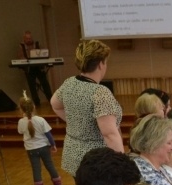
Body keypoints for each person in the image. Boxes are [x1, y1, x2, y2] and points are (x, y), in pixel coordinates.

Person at [51, 39, 123, 176]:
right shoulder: (100, 93)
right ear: (101, 64)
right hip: (96, 162)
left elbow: (55, 105)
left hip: (73, 157)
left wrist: (78, 123)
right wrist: (122, 165)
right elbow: (110, 135)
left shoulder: (69, 83)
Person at [18, 95, 63, 185]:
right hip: (44, 147)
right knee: (50, 166)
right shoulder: (40, 120)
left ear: (21, 109)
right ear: (34, 107)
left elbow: (20, 131)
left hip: (31, 149)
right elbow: (48, 134)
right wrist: (53, 145)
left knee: (36, 169)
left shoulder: (21, 122)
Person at [18, 31, 53, 108]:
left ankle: (51, 100)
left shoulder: (37, 44)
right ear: (24, 39)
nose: (29, 40)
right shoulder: (22, 46)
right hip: (29, 68)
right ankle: (37, 103)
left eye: (30, 38)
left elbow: (45, 53)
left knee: (45, 83)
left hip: (39, 67)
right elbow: (20, 57)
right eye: (27, 38)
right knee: (32, 86)